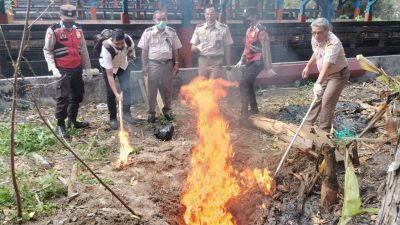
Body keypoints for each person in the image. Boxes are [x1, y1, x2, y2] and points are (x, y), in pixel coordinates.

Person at [43, 4, 92, 139]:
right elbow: (47, 50)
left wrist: (87, 68)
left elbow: (83, 50)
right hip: (62, 68)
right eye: (67, 20)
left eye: (72, 20)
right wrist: (52, 68)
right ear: (61, 17)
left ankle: (72, 120)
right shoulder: (54, 30)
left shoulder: (78, 30)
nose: (69, 22)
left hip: (76, 66)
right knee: (63, 97)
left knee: (78, 95)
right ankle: (60, 125)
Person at [302, 18, 350, 132]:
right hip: (326, 73)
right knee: (317, 97)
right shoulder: (315, 39)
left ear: (327, 30)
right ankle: (307, 125)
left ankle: (324, 131)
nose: (316, 35)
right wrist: (308, 66)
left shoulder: (333, 43)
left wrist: (318, 82)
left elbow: (327, 65)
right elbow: (316, 52)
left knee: (327, 101)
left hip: (338, 75)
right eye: (314, 32)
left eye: (319, 32)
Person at [138, 9, 182, 123]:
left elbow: (175, 49)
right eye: (159, 19)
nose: (161, 21)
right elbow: (144, 50)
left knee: (168, 89)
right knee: (152, 90)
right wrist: (144, 66)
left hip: (168, 64)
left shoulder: (172, 32)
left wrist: (176, 63)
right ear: (154, 20)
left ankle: (167, 111)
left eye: (164, 19)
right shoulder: (148, 32)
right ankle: (151, 113)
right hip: (153, 64)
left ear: (167, 19)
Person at [234, 7, 277, 122]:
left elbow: (266, 49)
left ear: (255, 16)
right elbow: (247, 46)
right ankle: (254, 109)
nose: (246, 19)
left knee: (243, 83)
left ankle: (244, 112)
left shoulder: (261, 30)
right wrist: (241, 60)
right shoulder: (249, 30)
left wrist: (268, 67)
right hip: (250, 60)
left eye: (248, 16)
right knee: (248, 83)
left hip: (259, 61)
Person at [99, 29, 136, 130]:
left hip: (123, 65)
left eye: (122, 43)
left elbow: (132, 49)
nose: (120, 46)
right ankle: (113, 118)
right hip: (110, 67)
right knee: (110, 92)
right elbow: (110, 76)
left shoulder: (128, 39)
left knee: (127, 89)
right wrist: (116, 94)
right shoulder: (106, 48)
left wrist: (132, 56)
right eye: (117, 44)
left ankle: (127, 114)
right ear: (112, 40)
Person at [190, 5, 233, 79]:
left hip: (216, 61)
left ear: (216, 14)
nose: (209, 16)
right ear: (204, 14)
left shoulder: (223, 29)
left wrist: (228, 67)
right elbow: (192, 48)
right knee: (203, 87)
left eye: (212, 14)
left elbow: (227, 48)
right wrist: (198, 47)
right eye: (207, 14)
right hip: (203, 61)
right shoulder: (199, 28)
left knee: (213, 87)